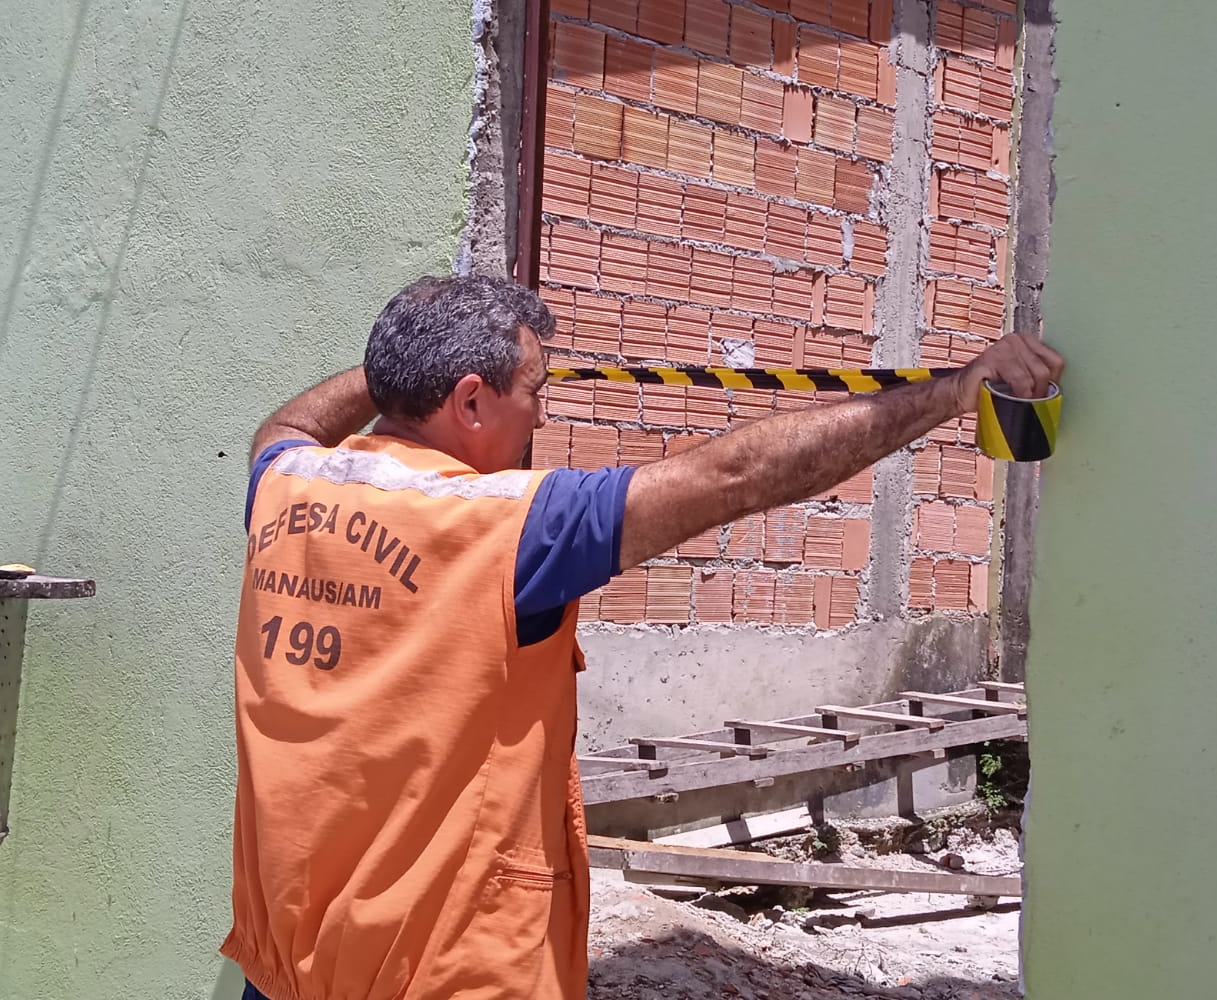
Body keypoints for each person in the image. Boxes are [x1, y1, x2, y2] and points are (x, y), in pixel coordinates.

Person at [222, 273, 1064, 1000]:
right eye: (532, 388)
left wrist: (399, 372)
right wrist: (955, 392)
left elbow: (286, 422)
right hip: (440, 973)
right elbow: (735, 476)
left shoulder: (287, 485)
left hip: (285, 966)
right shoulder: (508, 528)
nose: (541, 413)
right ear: (471, 400)